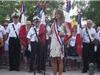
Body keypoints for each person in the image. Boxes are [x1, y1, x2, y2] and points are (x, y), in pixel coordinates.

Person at [50, 9, 71, 75]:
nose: (56, 15)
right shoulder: (53, 24)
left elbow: (69, 33)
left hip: (60, 43)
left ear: (61, 15)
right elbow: (50, 33)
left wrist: (63, 34)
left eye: (58, 14)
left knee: (60, 60)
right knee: (54, 59)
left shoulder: (64, 24)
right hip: (53, 43)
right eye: (55, 14)